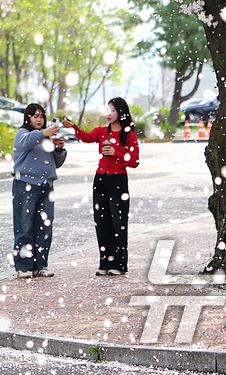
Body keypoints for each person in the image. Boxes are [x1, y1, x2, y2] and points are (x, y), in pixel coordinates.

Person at [63, 97, 139, 275]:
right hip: (101, 179)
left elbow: (134, 161)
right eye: (108, 110)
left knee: (118, 222)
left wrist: (117, 152)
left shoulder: (129, 135)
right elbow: (87, 137)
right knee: (102, 221)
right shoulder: (102, 132)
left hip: (118, 179)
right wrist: (73, 127)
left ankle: (119, 264)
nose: (109, 114)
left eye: (113, 110)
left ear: (121, 113)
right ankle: (105, 263)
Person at [12, 102, 66, 279]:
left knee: (44, 227)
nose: (39, 119)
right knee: (24, 226)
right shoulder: (23, 134)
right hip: (25, 185)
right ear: (28, 118)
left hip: (46, 185)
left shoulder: (47, 138)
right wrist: (44, 133)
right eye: (35, 116)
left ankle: (40, 264)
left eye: (41, 116)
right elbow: (25, 143)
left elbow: (56, 162)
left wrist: (59, 148)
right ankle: (23, 266)